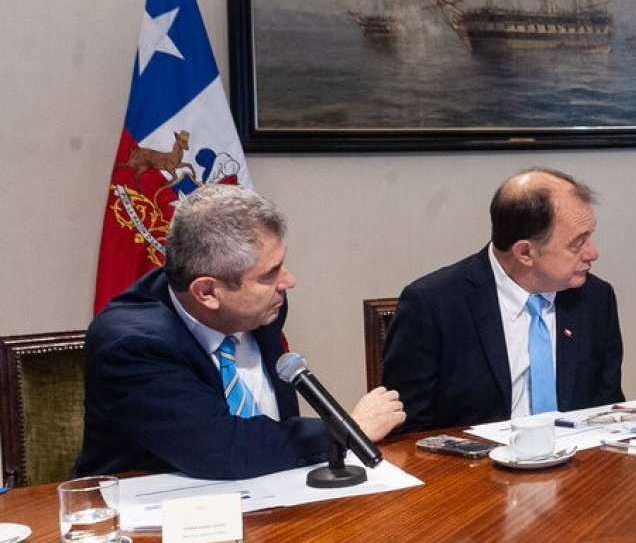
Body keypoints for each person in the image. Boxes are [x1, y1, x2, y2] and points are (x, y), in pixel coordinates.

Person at [74, 185, 405, 480]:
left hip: (272, 493)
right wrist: (345, 430)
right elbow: (223, 448)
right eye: (269, 274)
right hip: (157, 515)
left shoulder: (264, 308)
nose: (288, 282)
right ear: (207, 292)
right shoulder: (132, 344)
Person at [382, 168, 624, 433]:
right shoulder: (433, 305)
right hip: (474, 458)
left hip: (580, 455)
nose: (593, 253)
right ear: (525, 252)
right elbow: (406, 431)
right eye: (578, 243)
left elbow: (606, 412)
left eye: (590, 235)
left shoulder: (595, 299)